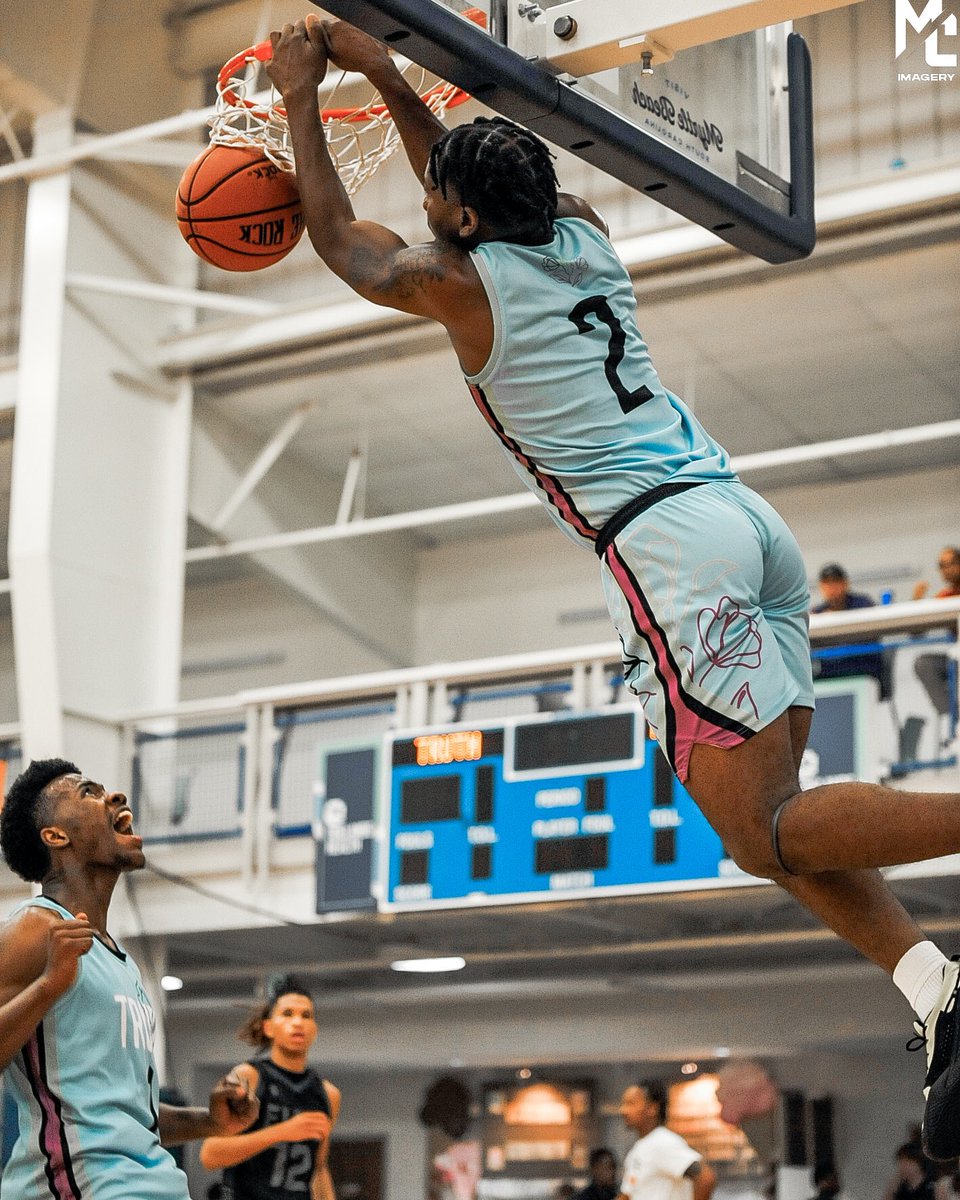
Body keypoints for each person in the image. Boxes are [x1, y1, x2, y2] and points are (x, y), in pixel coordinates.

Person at [264, 15, 960, 1158]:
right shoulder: (583, 235)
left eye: (441, 197)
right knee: (775, 831)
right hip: (741, 519)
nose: (430, 201)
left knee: (768, 832)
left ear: (462, 221)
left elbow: (343, 241)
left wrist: (303, 95)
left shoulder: (456, 284)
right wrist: (383, 69)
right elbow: (463, 186)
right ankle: (934, 984)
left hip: (670, 553)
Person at [0, 758, 260, 1199]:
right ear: (56, 836)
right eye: (88, 792)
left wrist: (211, 1122)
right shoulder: (36, 928)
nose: (115, 796)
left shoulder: (120, 961)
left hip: (153, 1185)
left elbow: (128, 1116)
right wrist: (48, 986)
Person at [199, 975, 341, 1200]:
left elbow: (319, 1168)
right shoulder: (247, 1076)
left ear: (315, 1029)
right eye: (287, 1013)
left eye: (306, 1015)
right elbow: (209, 1154)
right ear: (268, 1027)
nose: (298, 1022)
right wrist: (283, 1132)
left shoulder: (328, 1094)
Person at [618, 1082, 715, 1200]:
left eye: (631, 1104)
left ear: (652, 1108)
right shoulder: (639, 1147)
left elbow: (705, 1178)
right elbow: (628, 1194)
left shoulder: (662, 1142)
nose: (623, 1110)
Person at [810, 564, 886, 690]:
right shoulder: (817, 613)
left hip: (862, 667)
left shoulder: (863, 604)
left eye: (835, 582)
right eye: (827, 584)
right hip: (830, 672)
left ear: (845, 583)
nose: (832, 588)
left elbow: (870, 634)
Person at [912, 548, 960, 732]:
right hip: (956, 659)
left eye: (951, 563)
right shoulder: (945, 596)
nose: (947, 569)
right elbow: (917, 630)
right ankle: (952, 720)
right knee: (925, 663)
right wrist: (916, 603)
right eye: (942, 565)